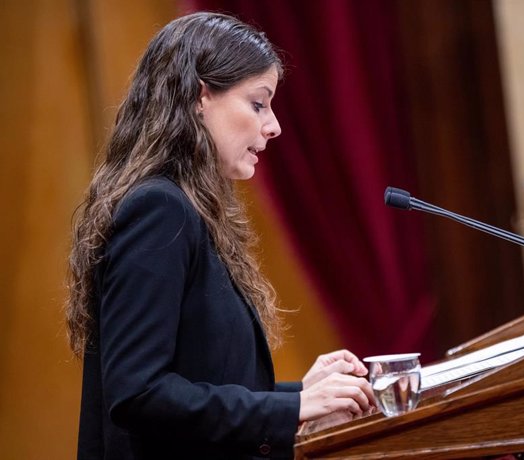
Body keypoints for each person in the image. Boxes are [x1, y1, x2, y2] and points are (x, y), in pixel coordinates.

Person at [66, 12, 375, 460]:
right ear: (200, 97)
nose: (274, 126)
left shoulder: (186, 209)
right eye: (258, 103)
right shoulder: (158, 209)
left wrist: (298, 397)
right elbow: (139, 393)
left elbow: (201, 379)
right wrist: (292, 410)